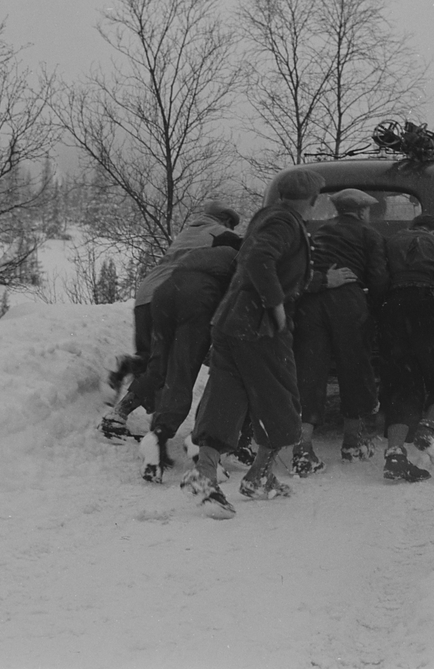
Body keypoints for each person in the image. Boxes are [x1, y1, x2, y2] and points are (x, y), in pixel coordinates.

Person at [181, 167, 325, 518]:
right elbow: (260, 259)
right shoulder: (286, 222)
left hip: (231, 321)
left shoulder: (269, 217)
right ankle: (259, 476)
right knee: (281, 399)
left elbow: (260, 260)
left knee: (225, 398)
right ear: (313, 201)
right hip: (258, 326)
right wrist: (275, 305)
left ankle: (204, 474)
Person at [99, 201, 242, 441]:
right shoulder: (222, 234)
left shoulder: (187, 233)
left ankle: (127, 366)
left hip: (147, 296)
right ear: (225, 221)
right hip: (180, 294)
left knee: (153, 359)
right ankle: (119, 416)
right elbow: (251, 252)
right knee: (166, 366)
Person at [290, 188, 389, 476]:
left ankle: (303, 446)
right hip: (348, 301)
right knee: (354, 367)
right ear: (361, 211)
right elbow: (379, 278)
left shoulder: (319, 233)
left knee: (311, 371)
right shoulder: (370, 235)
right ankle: (352, 441)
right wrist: (374, 305)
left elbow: (302, 269)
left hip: (312, 302)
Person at [136, 245, 239, 482]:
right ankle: (196, 441)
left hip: (163, 295)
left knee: (165, 368)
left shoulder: (203, 253)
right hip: (198, 297)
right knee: (187, 370)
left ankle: (157, 435)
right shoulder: (238, 255)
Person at [377, 213, 434, 482]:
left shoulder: (391, 243)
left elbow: (379, 277)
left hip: (393, 310)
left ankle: (395, 455)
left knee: (402, 383)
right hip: (429, 307)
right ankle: (428, 428)